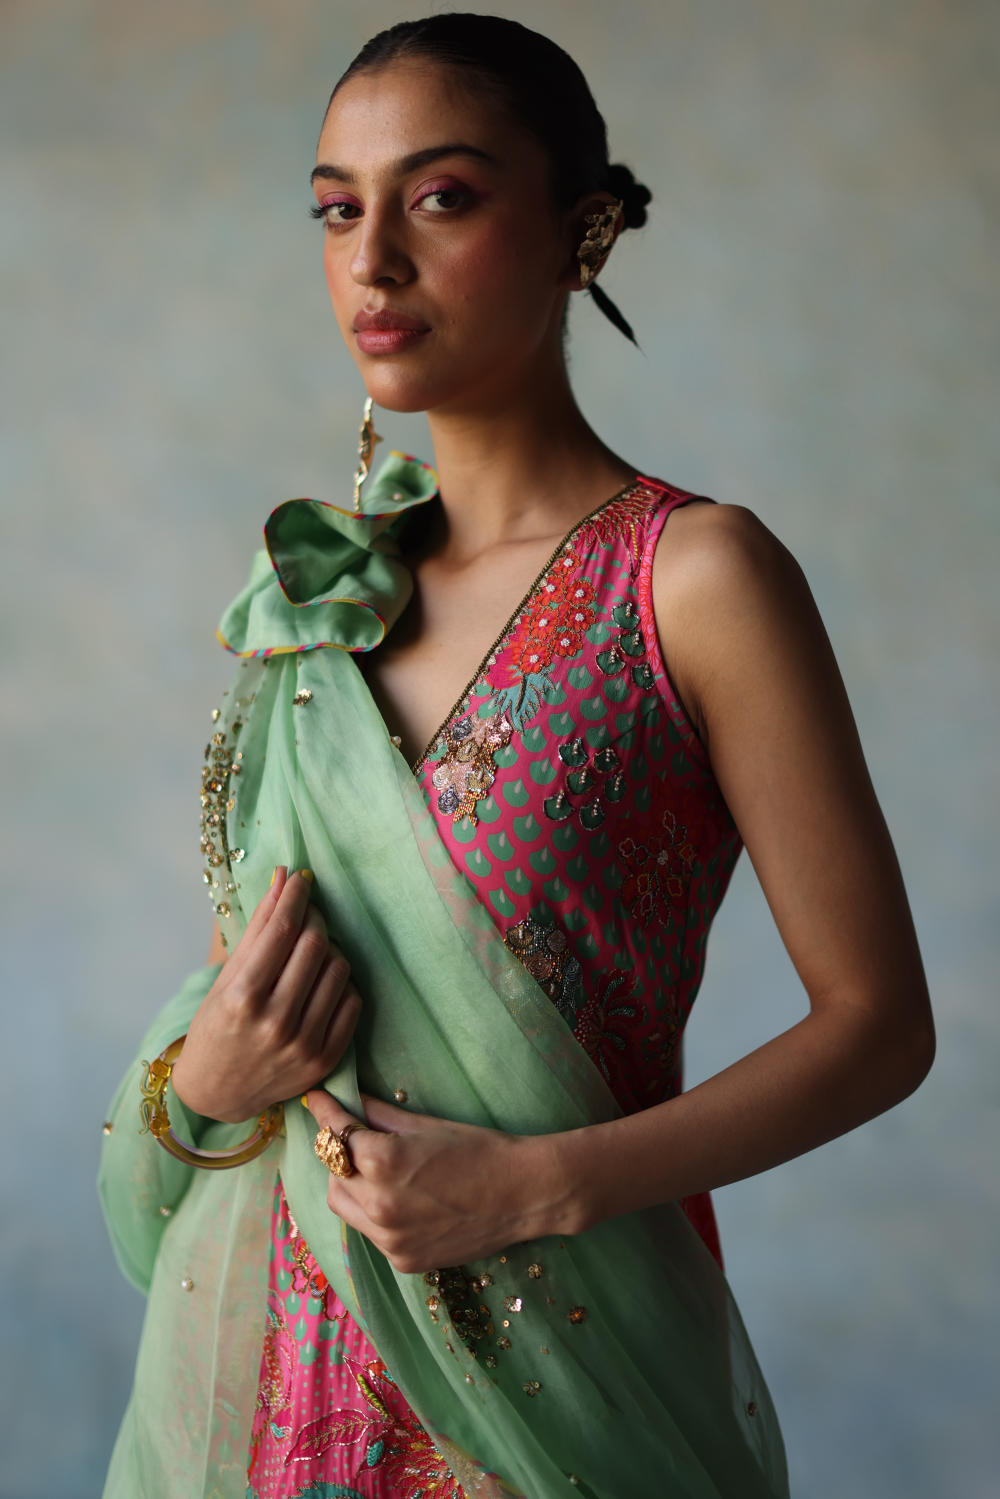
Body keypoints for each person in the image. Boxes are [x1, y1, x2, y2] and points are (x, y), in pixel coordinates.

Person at [98, 15, 934, 1499]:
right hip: (274, 1383)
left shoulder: (693, 581)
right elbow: (250, 982)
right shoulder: (313, 602)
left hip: (569, 1384)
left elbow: (877, 1026)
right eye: (337, 209)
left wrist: (535, 1189)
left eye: (441, 198)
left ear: (582, 231)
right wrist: (206, 1076)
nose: (373, 261)